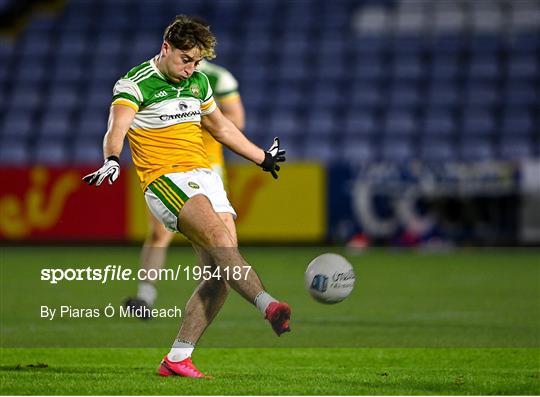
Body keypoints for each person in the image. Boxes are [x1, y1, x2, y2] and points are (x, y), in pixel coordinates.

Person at [83, 15, 290, 378]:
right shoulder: (135, 83)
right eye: (185, 59)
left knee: (220, 276)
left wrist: (262, 157)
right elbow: (117, 126)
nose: (191, 68)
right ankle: (269, 305)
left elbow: (221, 126)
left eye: (196, 61)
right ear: (166, 48)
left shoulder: (198, 83)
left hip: (205, 177)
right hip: (164, 179)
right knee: (218, 239)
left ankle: (177, 358)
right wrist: (113, 159)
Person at [123, 56, 246, 319]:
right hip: (168, 164)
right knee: (158, 233)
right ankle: (145, 297)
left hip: (206, 165)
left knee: (211, 240)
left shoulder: (216, 78)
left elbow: (235, 121)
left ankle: (210, 291)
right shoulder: (155, 78)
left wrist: (188, 116)